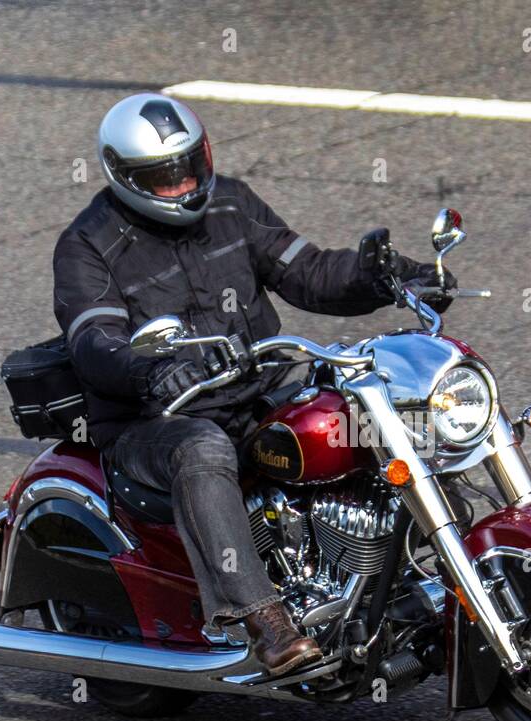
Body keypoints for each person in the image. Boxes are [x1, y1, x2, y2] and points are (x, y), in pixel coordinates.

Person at [52, 93, 450, 677]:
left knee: (350, 410)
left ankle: (407, 569)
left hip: (253, 390)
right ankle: (264, 620)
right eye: (162, 178)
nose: (182, 184)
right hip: (155, 421)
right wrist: (152, 368)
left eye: (189, 165)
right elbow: (94, 342)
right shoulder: (88, 244)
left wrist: (385, 277)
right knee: (203, 448)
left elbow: (307, 271)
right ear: (123, 175)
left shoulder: (231, 204)